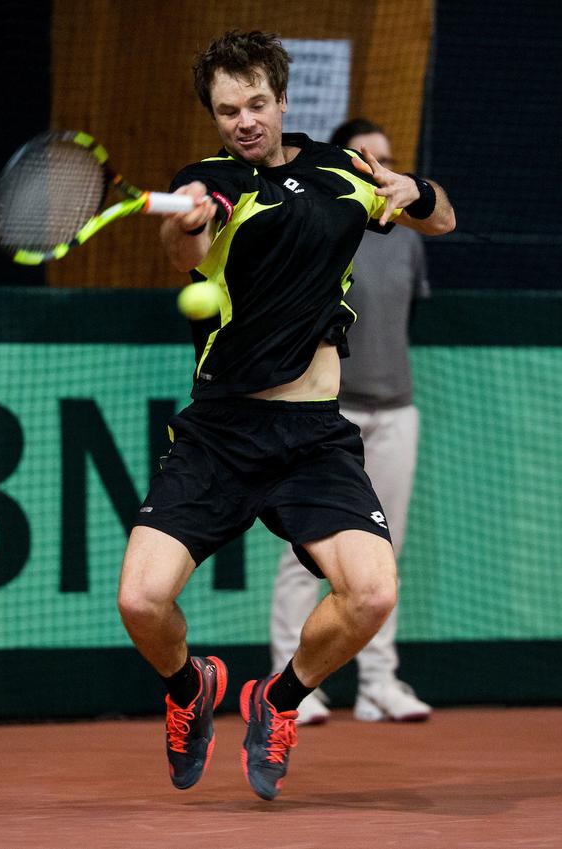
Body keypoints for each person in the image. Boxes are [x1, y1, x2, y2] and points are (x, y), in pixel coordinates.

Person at [117, 30, 455, 802]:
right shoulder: (206, 182)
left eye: (256, 103)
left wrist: (413, 191)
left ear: (281, 98)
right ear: (214, 114)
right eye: (228, 109)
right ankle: (189, 687)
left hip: (311, 439)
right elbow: (183, 251)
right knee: (141, 599)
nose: (243, 119)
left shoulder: (342, 172)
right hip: (221, 434)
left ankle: (277, 699)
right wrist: (189, 222)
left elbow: (441, 222)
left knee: (371, 593)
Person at [271, 118, 432, 727]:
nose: (381, 167)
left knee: (384, 557)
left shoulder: (410, 239)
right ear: (343, 162)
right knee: (304, 552)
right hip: (327, 414)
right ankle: (295, 683)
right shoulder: (323, 227)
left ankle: (378, 684)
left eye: (390, 158)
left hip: (397, 411)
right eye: (368, 157)